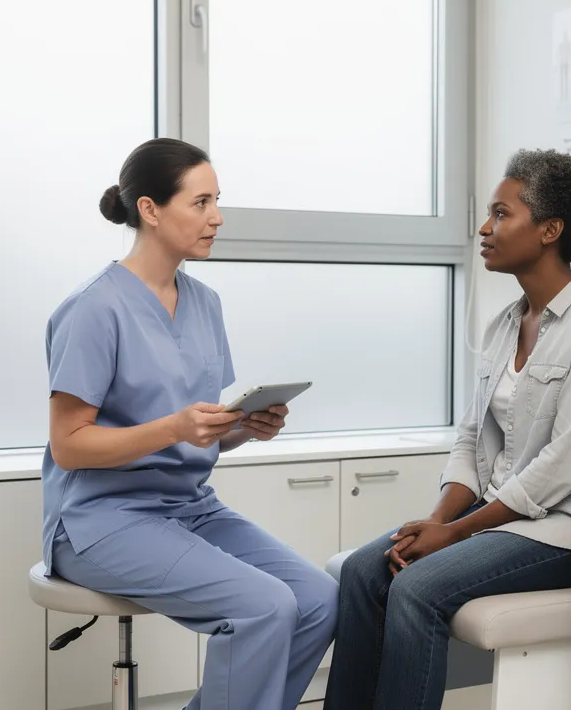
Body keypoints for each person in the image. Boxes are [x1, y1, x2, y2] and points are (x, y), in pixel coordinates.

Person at [323, 149, 571, 710]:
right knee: (363, 570)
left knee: (417, 589)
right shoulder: (506, 323)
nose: (483, 227)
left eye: (500, 213)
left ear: (549, 229)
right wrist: (439, 519)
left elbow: (562, 468)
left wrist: (460, 533)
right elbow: (472, 438)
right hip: (506, 520)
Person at [41, 137, 338, 710]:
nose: (217, 218)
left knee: (320, 599)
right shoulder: (93, 309)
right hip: (100, 519)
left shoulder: (204, 303)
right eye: (201, 203)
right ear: (150, 210)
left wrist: (242, 427)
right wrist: (176, 429)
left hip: (189, 508)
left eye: (217, 201)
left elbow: (197, 432)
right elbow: (70, 446)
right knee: (264, 607)